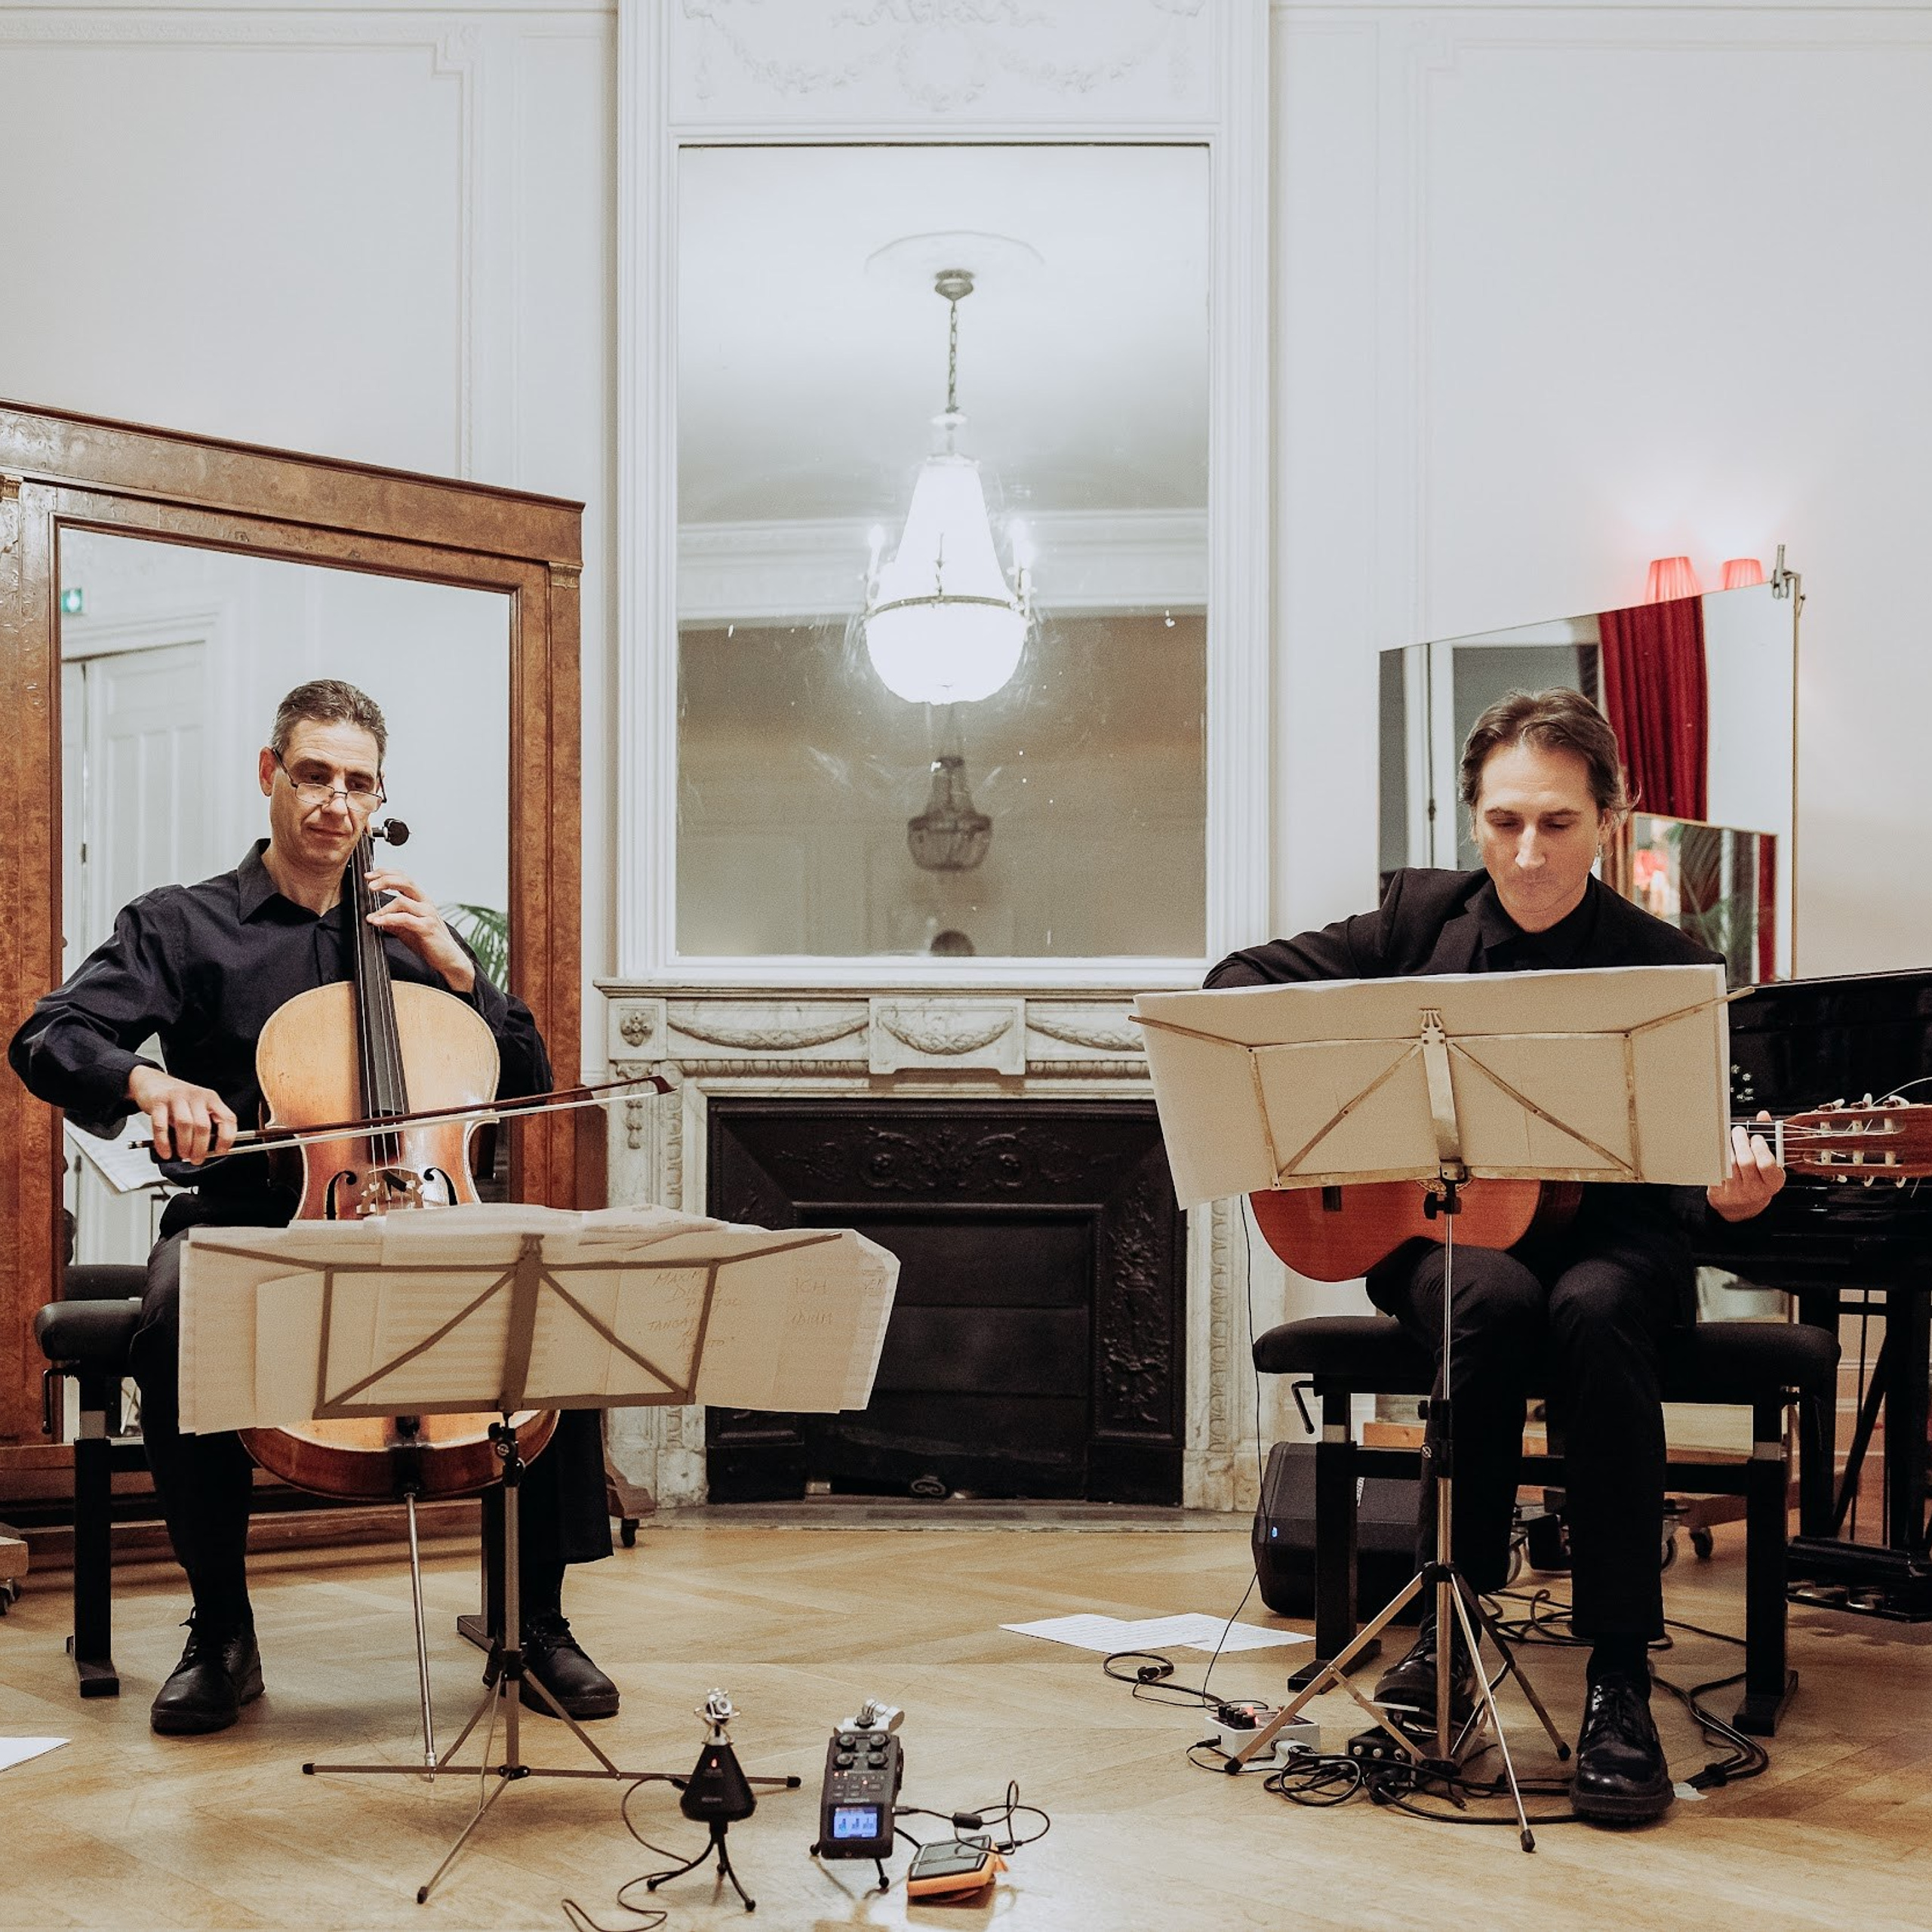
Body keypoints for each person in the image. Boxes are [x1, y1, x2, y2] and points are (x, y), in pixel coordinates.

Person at [1208, 688, 1784, 1825]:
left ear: (1609, 821)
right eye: (1504, 820)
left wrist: (1736, 1197)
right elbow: (1235, 991)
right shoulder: (1417, 925)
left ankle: (1617, 1670)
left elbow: (1698, 1192)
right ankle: (1452, 1629)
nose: (1527, 850)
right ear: (1472, 818)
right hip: (1443, 1230)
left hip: (1621, 1246)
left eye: (1558, 823)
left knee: (1592, 1310)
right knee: (1491, 1298)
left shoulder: (1662, 967)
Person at [10, 680, 619, 1737]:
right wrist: (151, 1086)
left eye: (358, 783)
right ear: (270, 776)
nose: (337, 802)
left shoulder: (408, 937)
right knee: (176, 1311)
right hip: (247, 1214)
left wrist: (466, 977)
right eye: (315, 775)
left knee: (542, 1291)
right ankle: (223, 1629)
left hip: (420, 1207)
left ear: (380, 797)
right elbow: (47, 1037)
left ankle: (539, 1622)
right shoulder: (180, 925)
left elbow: (520, 1078)